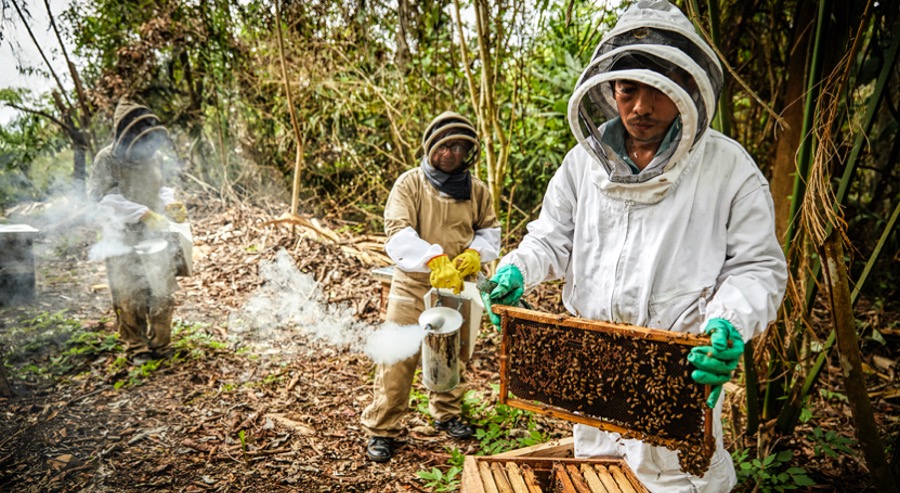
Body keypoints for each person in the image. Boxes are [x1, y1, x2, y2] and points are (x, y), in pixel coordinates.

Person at [482, 1, 787, 491]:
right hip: (594, 379)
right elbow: (552, 236)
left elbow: (757, 267)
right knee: (597, 476)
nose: (640, 107)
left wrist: (728, 323)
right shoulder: (583, 163)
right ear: (609, 88)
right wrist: (518, 267)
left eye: (658, 90)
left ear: (687, 88)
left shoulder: (728, 168)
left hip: (677, 380)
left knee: (681, 481)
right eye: (628, 89)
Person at [361, 111, 501, 463]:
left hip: (457, 288)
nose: (453, 153)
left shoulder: (477, 190)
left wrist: (474, 254)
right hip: (412, 286)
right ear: (431, 146)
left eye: (460, 147)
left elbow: (489, 231)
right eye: (446, 146)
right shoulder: (410, 184)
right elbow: (397, 232)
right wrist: (432, 259)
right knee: (397, 357)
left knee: (450, 354)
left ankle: (448, 413)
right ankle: (383, 427)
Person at [88, 98, 187, 361]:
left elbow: (162, 187)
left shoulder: (155, 157)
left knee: (163, 289)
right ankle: (137, 348)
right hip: (120, 235)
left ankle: (161, 345)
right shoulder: (106, 159)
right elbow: (102, 199)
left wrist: (170, 203)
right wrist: (142, 213)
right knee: (128, 292)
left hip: (155, 235)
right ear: (125, 131)